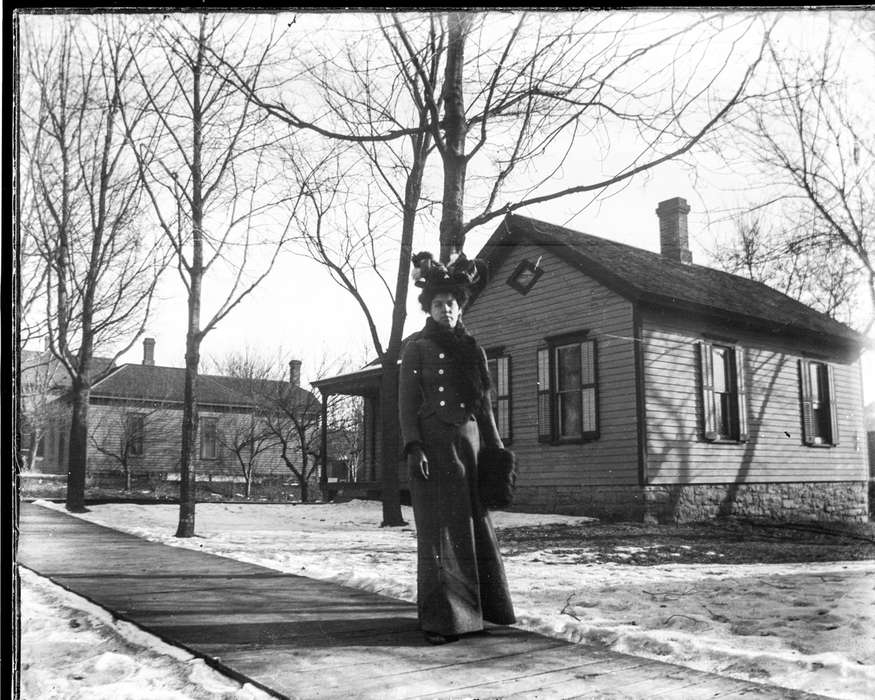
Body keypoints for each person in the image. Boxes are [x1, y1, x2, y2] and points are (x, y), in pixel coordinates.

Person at [398, 251, 516, 646]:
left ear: (459, 307)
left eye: (451, 304)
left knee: (474, 528)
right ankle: (445, 620)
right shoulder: (416, 348)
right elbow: (406, 403)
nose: (445, 310)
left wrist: (496, 453)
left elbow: (485, 408)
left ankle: (483, 614)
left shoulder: (474, 349)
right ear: (427, 309)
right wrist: (414, 447)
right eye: (437, 304)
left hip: (471, 448)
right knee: (439, 534)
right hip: (434, 448)